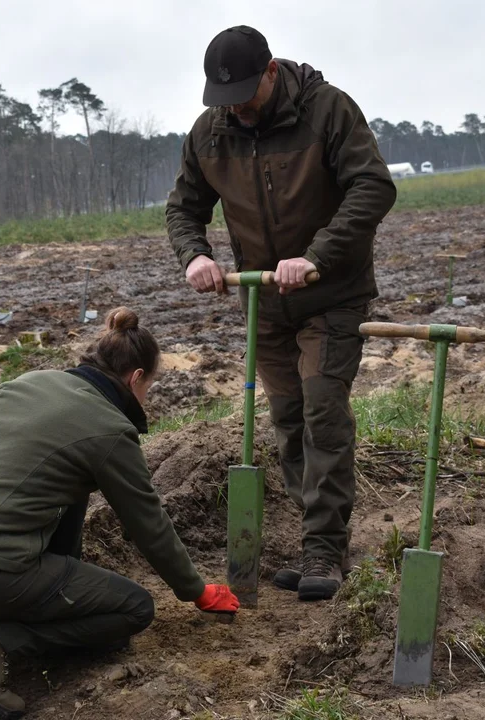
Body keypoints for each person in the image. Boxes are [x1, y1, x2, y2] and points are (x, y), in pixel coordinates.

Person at [0, 307, 240, 719]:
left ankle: (32, 595)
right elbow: (148, 523)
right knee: (133, 609)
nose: (146, 398)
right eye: (149, 387)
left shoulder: (25, 383)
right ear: (135, 378)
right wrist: (196, 591)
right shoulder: (108, 429)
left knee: (71, 485)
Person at [165, 26, 397, 602]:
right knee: (288, 420)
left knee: (323, 410)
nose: (236, 107)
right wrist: (195, 254)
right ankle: (316, 539)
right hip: (264, 304)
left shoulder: (328, 111)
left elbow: (373, 187)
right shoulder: (210, 131)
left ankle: (324, 545)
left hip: (331, 295)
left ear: (271, 71)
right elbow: (183, 207)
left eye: (245, 92)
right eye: (224, 99)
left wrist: (316, 256)